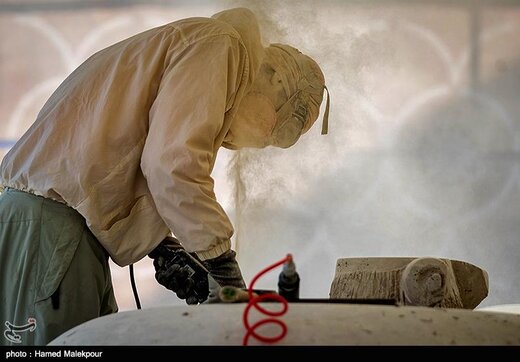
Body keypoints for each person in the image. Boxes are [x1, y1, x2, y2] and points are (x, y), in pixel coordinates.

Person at [0, 7, 328, 345]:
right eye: (277, 129)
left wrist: (161, 247)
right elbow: (171, 165)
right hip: (51, 230)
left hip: (56, 229)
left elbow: (114, 159)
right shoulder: (221, 48)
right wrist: (222, 268)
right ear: (276, 81)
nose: (265, 142)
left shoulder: (198, 48)